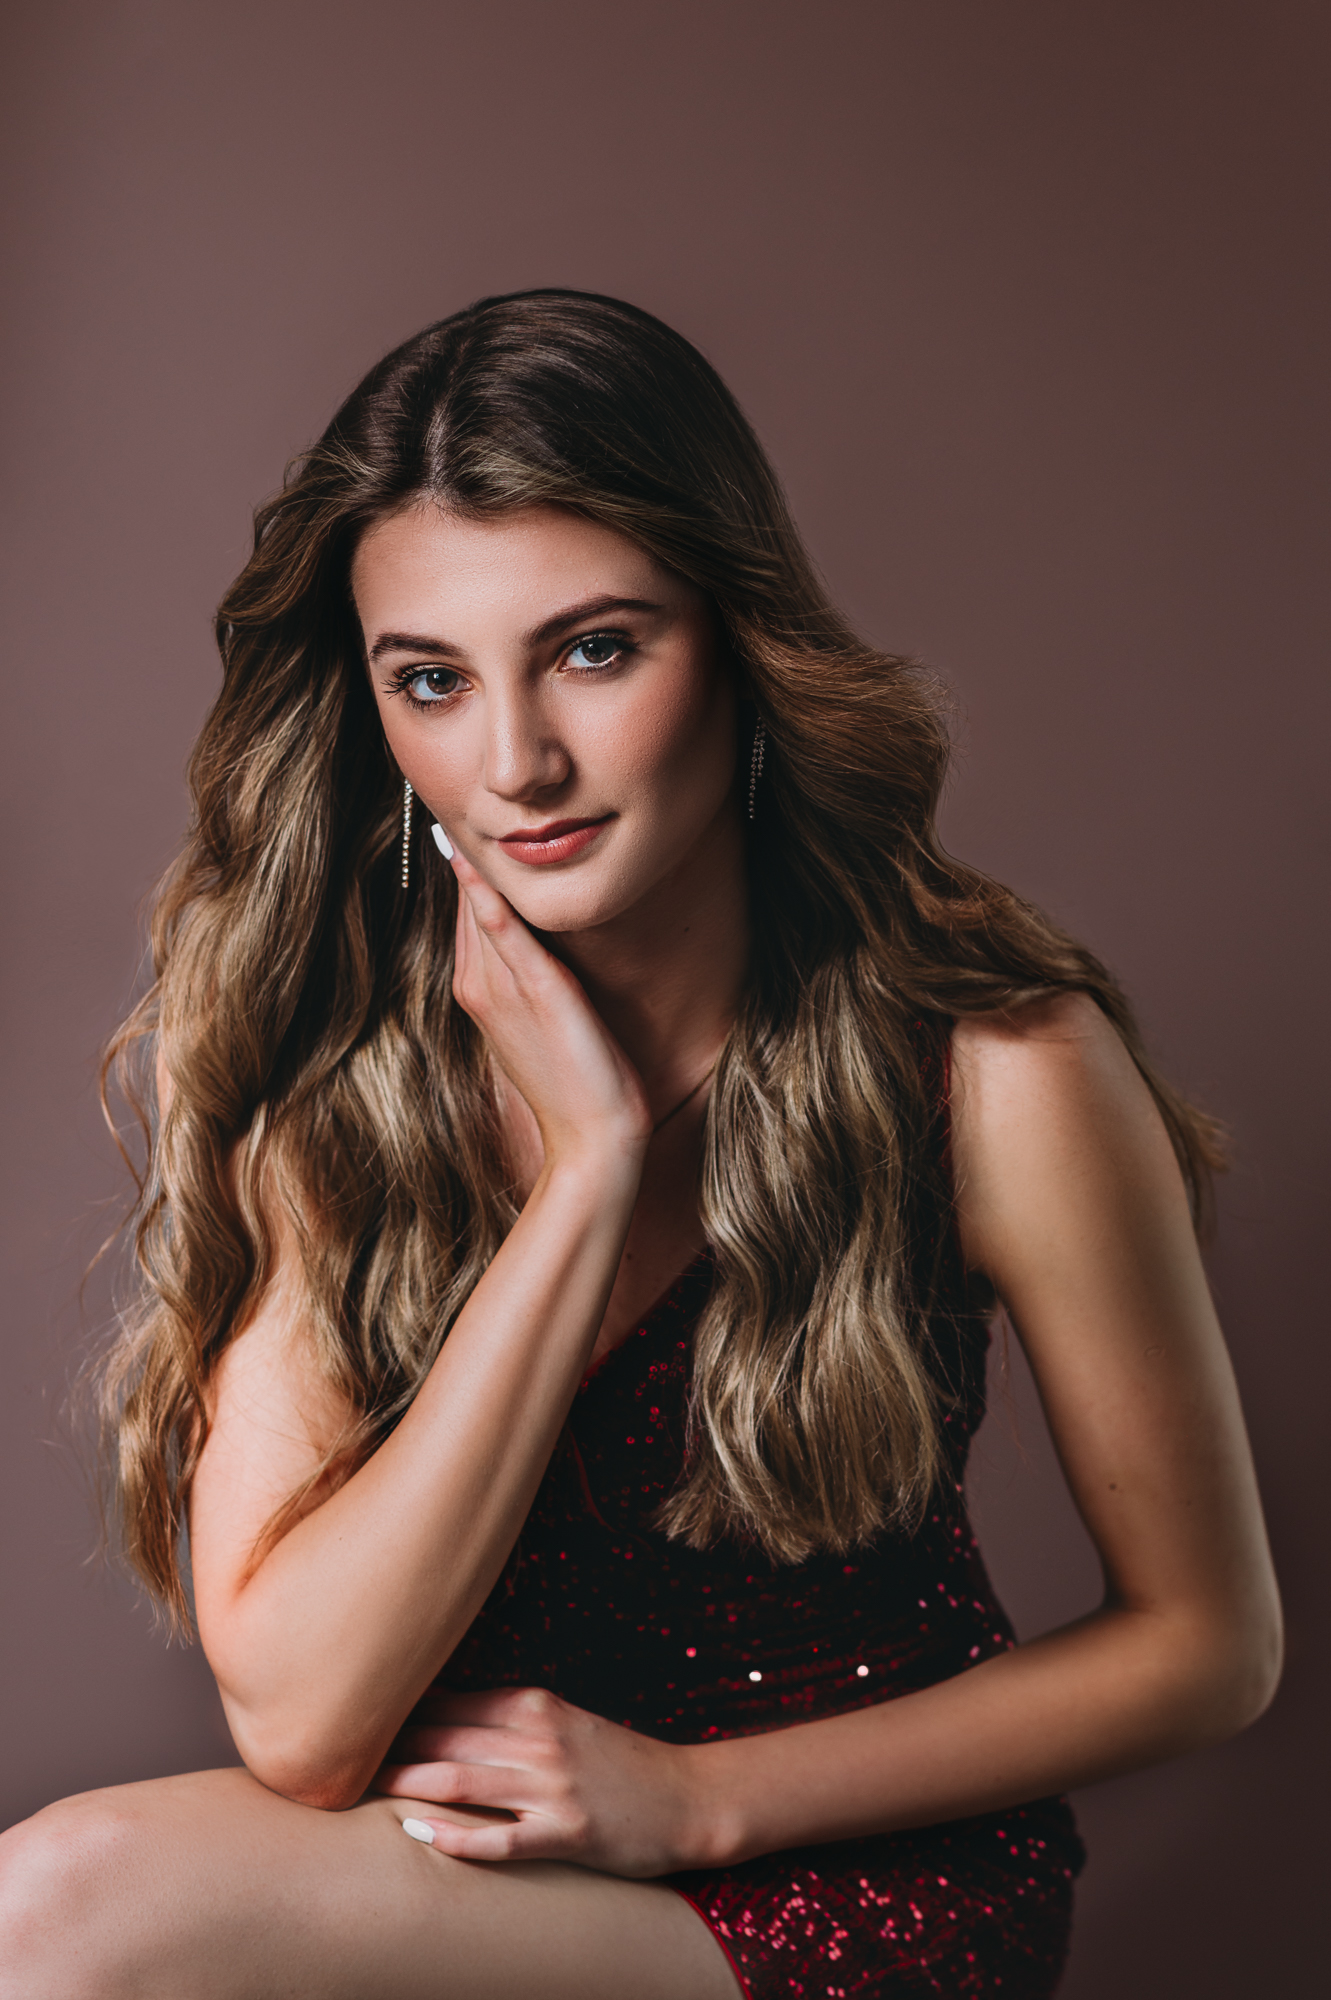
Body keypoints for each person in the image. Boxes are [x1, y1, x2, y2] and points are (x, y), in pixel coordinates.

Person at [0, 291, 1280, 1999]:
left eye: (595, 649)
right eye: (433, 681)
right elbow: (304, 1724)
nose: (516, 762)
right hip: (486, 1886)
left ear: (739, 640)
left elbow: (1209, 1646)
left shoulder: (995, 1069)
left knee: (56, 1917)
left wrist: (700, 1800)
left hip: (858, 1897)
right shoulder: (351, 1092)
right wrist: (590, 1174)